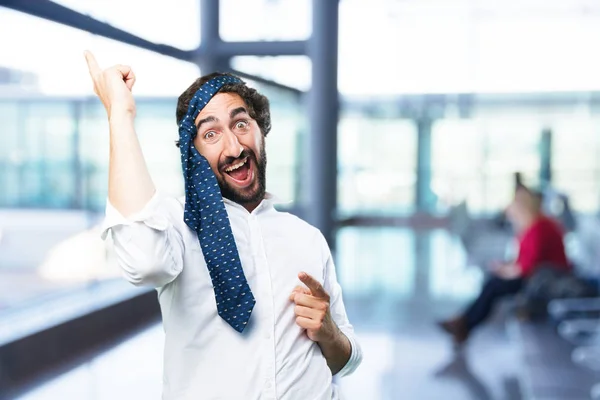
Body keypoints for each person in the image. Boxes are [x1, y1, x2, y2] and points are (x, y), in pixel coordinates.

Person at [84, 51, 362, 399]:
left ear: (261, 131)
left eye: (241, 124)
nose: (234, 147)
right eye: (211, 134)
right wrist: (120, 115)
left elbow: (346, 361)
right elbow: (143, 261)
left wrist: (329, 333)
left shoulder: (307, 238)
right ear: (193, 153)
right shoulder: (176, 228)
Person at [439, 185, 570, 345]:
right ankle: (463, 322)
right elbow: (525, 261)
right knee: (492, 283)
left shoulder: (539, 228)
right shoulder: (533, 225)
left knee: (493, 285)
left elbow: (527, 267)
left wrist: (506, 270)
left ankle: (464, 323)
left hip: (546, 280)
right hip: (539, 276)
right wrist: (505, 268)